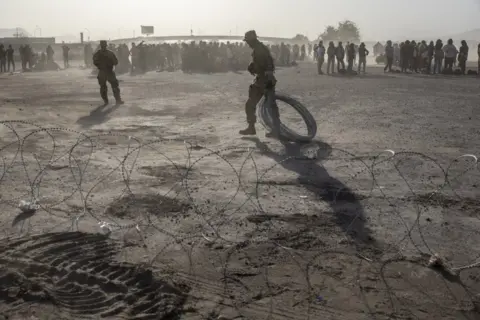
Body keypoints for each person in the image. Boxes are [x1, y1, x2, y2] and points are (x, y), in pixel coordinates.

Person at [238, 30, 281, 138]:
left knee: (266, 105)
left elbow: (269, 64)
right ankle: (256, 128)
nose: (247, 43)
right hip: (262, 79)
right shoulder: (259, 48)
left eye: (248, 41)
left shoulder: (259, 49)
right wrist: (252, 66)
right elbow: (262, 63)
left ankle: (257, 128)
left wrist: (269, 78)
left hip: (264, 80)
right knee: (268, 105)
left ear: (252, 40)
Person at [92, 40, 124, 105]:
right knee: (114, 86)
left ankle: (106, 101)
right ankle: (118, 100)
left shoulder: (97, 53)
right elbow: (116, 62)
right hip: (109, 72)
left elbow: (94, 62)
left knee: (103, 87)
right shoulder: (110, 53)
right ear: (106, 45)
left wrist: (100, 66)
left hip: (102, 72)